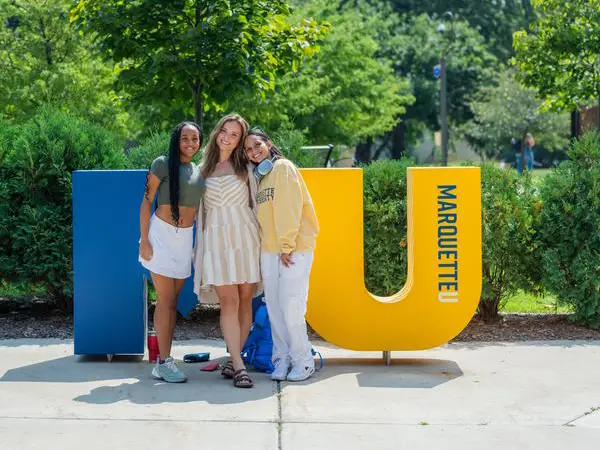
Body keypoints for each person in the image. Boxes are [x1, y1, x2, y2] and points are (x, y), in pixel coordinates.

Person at [243, 127, 320, 382]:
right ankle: (282, 358)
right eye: (248, 150)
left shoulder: (283, 168)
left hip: (292, 249)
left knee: (292, 306)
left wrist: (287, 246)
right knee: (275, 308)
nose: (254, 152)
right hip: (270, 251)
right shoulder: (261, 178)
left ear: (269, 143)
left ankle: (303, 360)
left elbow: (289, 208)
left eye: (257, 146)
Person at [193, 114, 260, 389]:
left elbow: (260, 201)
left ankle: (234, 358)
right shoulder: (202, 168)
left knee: (245, 299)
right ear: (217, 132)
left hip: (246, 235)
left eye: (235, 134)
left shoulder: (246, 166)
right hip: (217, 239)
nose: (228, 137)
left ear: (240, 140)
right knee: (229, 302)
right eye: (225, 131)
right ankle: (240, 367)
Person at [139, 121, 205, 383]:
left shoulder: (198, 171)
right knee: (165, 301)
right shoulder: (162, 163)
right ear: (176, 139)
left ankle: (163, 359)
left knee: (171, 303)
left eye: (195, 139)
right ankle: (164, 362)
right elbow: (146, 201)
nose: (190, 143)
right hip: (161, 237)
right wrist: (144, 240)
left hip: (185, 239)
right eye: (185, 138)